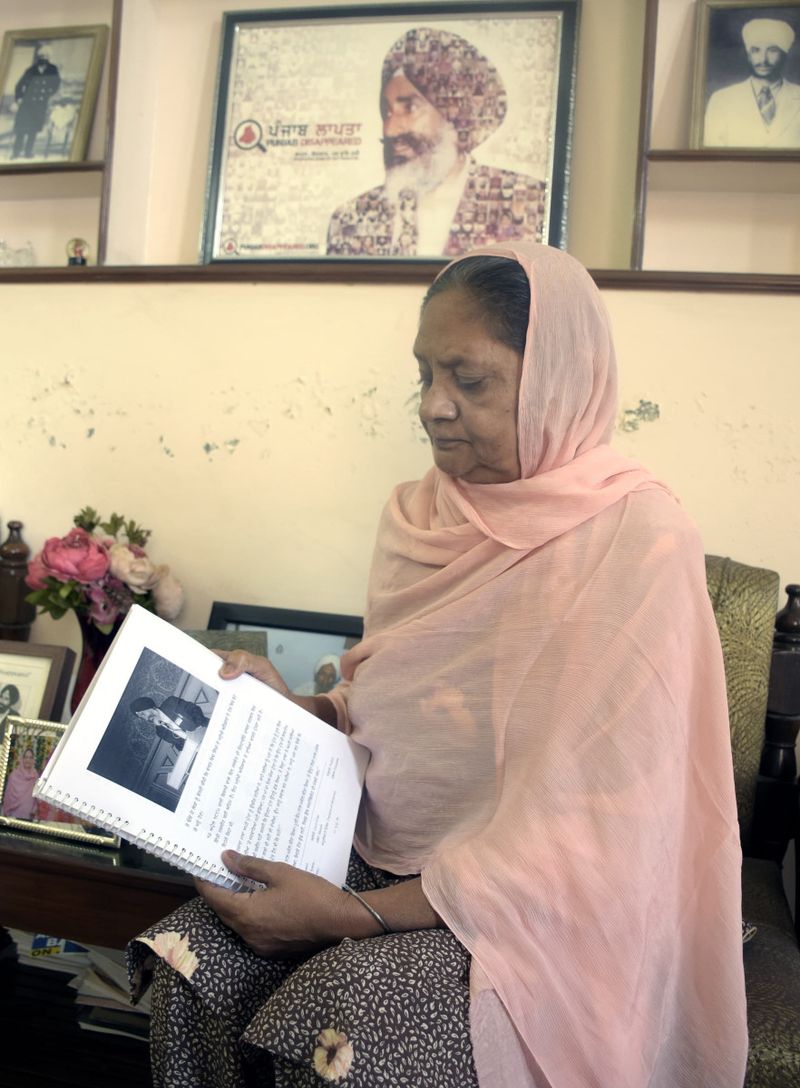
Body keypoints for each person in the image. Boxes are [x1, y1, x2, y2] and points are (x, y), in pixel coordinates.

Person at [128, 242, 747, 1088]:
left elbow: (597, 834)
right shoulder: (420, 514)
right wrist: (298, 708)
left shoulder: (640, 540)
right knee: (194, 957)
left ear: (558, 379)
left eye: (470, 379)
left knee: (344, 1011)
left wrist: (348, 917)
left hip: (543, 902)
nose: (433, 406)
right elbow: (393, 710)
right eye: (424, 374)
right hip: (387, 847)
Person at [327, 27, 547, 257]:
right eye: (387, 111)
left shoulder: (527, 202)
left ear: (457, 116)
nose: (390, 129)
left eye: (410, 108)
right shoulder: (351, 218)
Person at [704, 17, 800, 147]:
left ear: (785, 54)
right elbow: (712, 152)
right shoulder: (721, 99)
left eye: (772, 50)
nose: (763, 60)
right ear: (748, 54)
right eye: (755, 50)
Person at [11, 46, 61, 160]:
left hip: (40, 104)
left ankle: (28, 152)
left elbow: (56, 83)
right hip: (27, 104)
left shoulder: (52, 69)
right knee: (21, 129)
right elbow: (19, 85)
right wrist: (19, 98)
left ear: (49, 57)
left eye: (46, 56)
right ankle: (16, 152)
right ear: (38, 57)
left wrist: (49, 93)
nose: (43, 58)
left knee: (33, 129)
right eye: (41, 56)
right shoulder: (31, 70)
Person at [130, 694, 209, 751]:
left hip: (206, 729)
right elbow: (179, 745)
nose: (146, 718)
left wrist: (198, 727)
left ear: (146, 706)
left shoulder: (171, 703)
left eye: (143, 714)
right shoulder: (160, 732)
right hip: (197, 748)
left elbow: (195, 710)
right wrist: (184, 745)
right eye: (142, 717)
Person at [1, 745, 38, 819]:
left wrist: (34, 809)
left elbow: (36, 798)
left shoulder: (35, 776)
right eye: (26, 757)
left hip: (28, 816)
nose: (28, 760)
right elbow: (8, 797)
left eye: (30, 757)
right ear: (22, 759)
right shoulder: (13, 775)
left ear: (33, 760)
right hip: (13, 815)